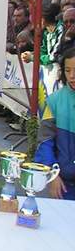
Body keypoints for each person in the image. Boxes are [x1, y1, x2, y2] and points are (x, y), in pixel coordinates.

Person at [36, 47, 75, 200]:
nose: (72, 76)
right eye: (67, 70)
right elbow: (44, 142)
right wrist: (52, 174)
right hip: (64, 186)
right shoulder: (54, 101)